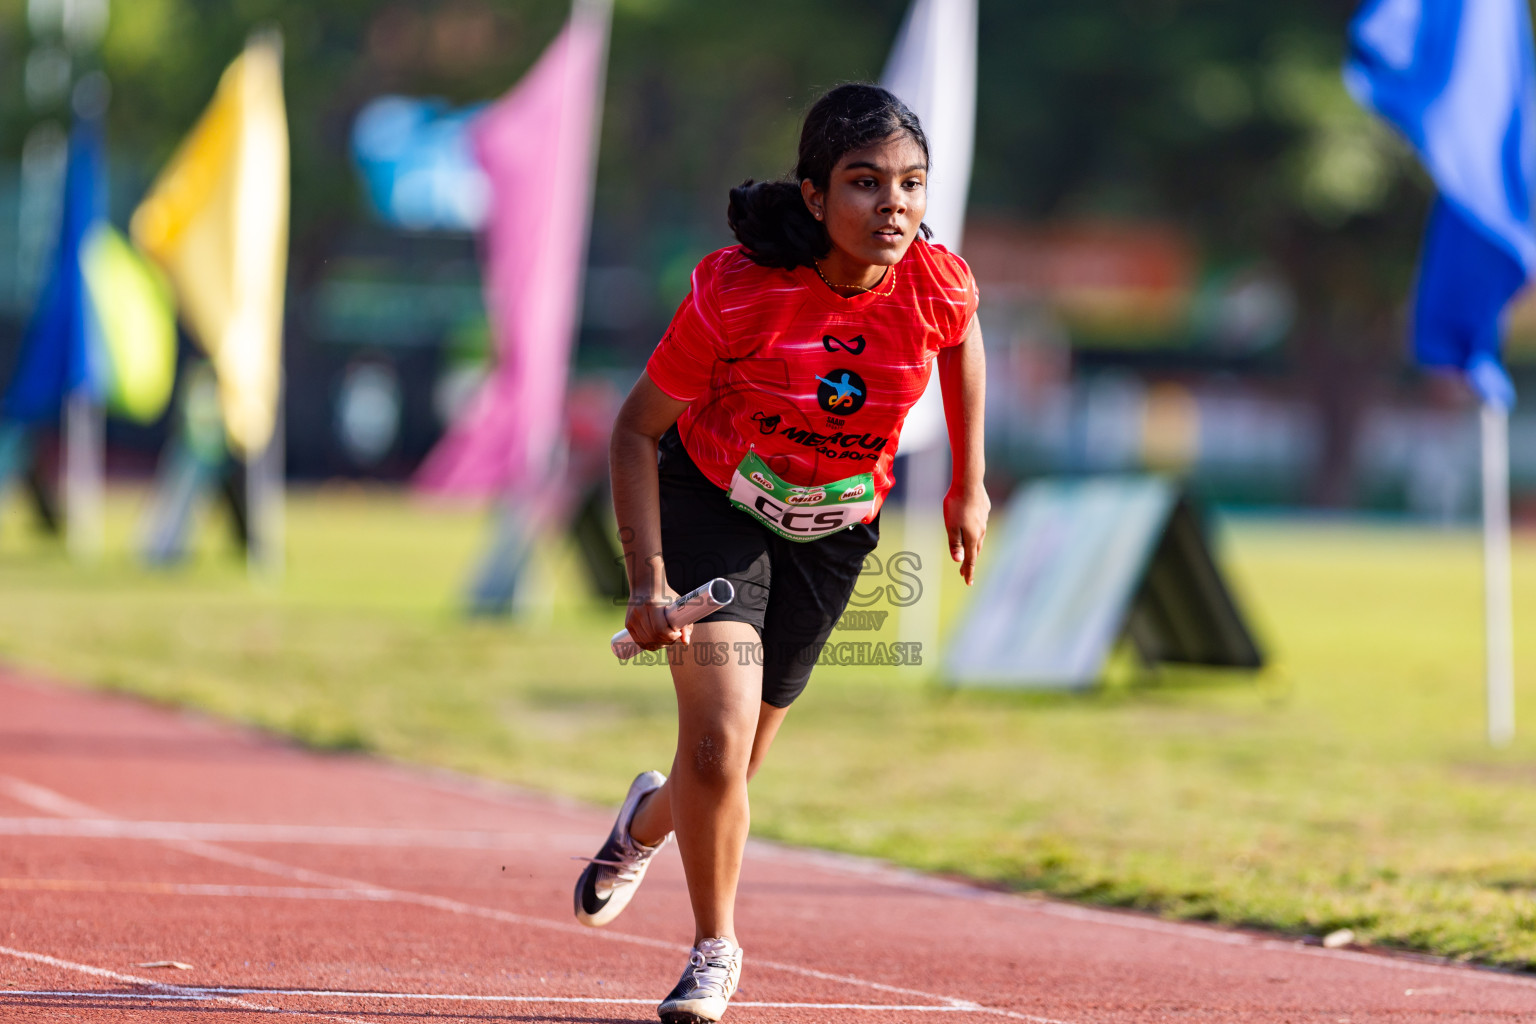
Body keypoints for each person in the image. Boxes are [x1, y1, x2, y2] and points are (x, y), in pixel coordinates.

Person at [573, 82, 988, 1024]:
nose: (894, 205)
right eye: (864, 183)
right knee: (715, 746)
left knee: (730, 772)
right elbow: (634, 431)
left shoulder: (936, 281)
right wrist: (648, 579)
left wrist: (970, 479)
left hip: (833, 535)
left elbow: (962, 340)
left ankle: (641, 823)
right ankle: (714, 951)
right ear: (813, 197)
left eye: (913, 185)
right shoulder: (741, 293)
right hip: (715, 506)